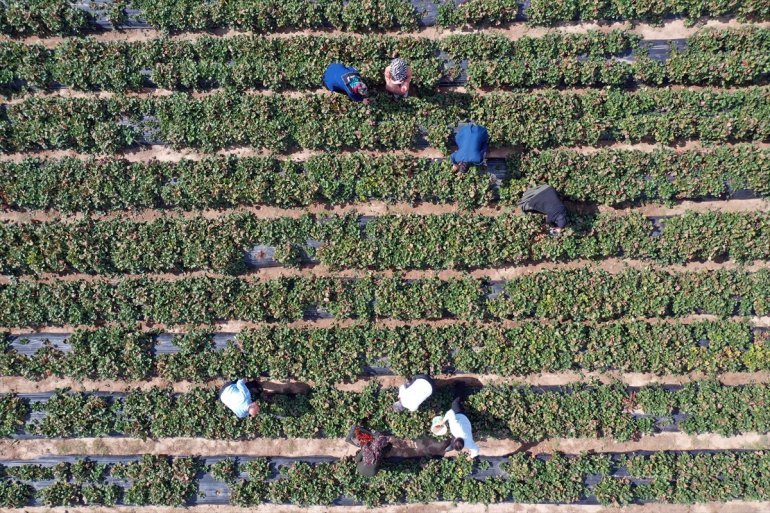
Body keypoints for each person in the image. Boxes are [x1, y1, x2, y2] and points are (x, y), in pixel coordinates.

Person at [441, 382, 479, 459]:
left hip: (466, 423)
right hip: (461, 417)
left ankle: (451, 447)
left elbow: (476, 450)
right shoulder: (456, 429)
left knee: (456, 404)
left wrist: (471, 456)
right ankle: (460, 385)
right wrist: (443, 421)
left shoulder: (468, 443)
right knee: (455, 402)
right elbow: (450, 412)